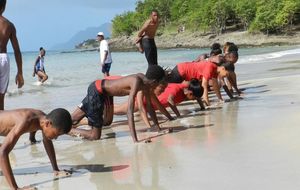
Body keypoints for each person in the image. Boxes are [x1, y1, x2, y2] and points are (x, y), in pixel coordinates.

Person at [69, 65, 173, 143]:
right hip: (97, 90)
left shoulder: (146, 83)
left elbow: (149, 107)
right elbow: (129, 111)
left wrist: (158, 129)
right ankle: (66, 129)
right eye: (159, 83)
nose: (159, 86)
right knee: (95, 136)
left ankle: (65, 124)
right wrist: (135, 140)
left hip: (107, 94)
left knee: (106, 122)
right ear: (154, 82)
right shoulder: (136, 81)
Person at [0, 108, 72, 190]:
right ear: (48, 124)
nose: (55, 138)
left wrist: (56, 170)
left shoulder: (44, 119)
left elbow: (47, 142)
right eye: (57, 134)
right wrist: (15, 188)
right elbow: (2, 152)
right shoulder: (26, 120)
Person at [114, 79, 204, 128]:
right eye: (194, 98)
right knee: (118, 111)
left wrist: (202, 107)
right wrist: (178, 115)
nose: (193, 100)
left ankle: (106, 108)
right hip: (144, 100)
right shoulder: (177, 89)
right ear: (190, 93)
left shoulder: (187, 91)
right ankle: (104, 111)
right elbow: (170, 100)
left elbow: (196, 93)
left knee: (118, 108)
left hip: (152, 103)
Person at [0, 0, 24, 110]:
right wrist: (20, 72)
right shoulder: (9, 25)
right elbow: (17, 50)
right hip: (3, 58)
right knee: (1, 96)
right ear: (4, 6)